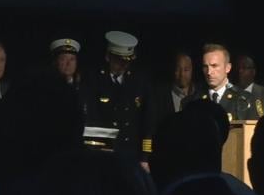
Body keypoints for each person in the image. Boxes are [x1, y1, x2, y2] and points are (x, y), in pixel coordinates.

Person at [83, 31, 154, 167]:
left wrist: (145, 157)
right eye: (119, 60)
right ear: (108, 57)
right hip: (103, 155)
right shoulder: (94, 80)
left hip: (132, 154)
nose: (124, 65)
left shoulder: (139, 81)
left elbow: (148, 120)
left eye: (127, 61)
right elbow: (90, 118)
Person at [199, 43, 259, 120]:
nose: (209, 72)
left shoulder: (245, 99)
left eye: (214, 66)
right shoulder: (193, 100)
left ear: (227, 68)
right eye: (205, 66)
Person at [155, 51, 202, 124]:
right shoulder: (160, 96)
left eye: (186, 70)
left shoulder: (201, 94)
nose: (182, 74)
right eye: (177, 69)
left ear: (192, 69)